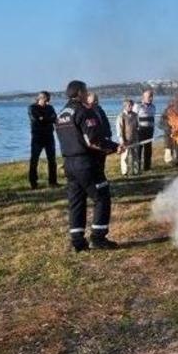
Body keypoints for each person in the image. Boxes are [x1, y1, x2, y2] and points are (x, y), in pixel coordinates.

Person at [55, 80, 122, 252]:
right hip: (86, 164)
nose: (87, 93)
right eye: (85, 91)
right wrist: (114, 147)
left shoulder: (61, 114)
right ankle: (98, 238)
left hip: (69, 164)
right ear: (79, 93)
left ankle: (77, 241)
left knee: (76, 201)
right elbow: (92, 140)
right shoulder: (84, 111)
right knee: (101, 197)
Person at [28, 91, 59, 189]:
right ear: (40, 98)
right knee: (34, 160)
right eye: (46, 100)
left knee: (52, 160)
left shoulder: (50, 108)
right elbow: (36, 120)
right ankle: (33, 182)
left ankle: (53, 181)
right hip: (37, 136)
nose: (48, 102)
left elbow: (54, 118)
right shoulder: (32, 108)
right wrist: (47, 119)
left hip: (49, 135)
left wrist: (44, 119)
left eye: (49, 100)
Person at [87, 92, 113, 172]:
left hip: (103, 138)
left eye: (96, 101)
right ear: (88, 101)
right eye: (93, 101)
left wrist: (109, 135)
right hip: (93, 140)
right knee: (93, 161)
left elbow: (106, 123)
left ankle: (101, 176)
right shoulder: (86, 112)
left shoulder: (100, 110)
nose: (95, 103)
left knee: (102, 160)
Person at [117, 99, 140, 176]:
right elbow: (119, 129)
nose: (131, 107)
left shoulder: (135, 115)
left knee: (135, 155)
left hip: (134, 139)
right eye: (129, 105)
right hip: (125, 139)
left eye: (131, 105)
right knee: (124, 157)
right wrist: (122, 140)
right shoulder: (121, 116)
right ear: (125, 106)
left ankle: (136, 171)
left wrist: (137, 137)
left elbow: (137, 127)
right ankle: (125, 172)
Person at [135, 89, 156, 171]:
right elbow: (134, 118)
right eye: (149, 96)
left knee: (148, 150)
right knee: (139, 149)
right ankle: (137, 168)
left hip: (150, 131)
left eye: (151, 96)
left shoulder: (153, 107)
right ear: (143, 97)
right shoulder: (138, 106)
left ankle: (147, 167)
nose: (150, 98)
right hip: (140, 131)